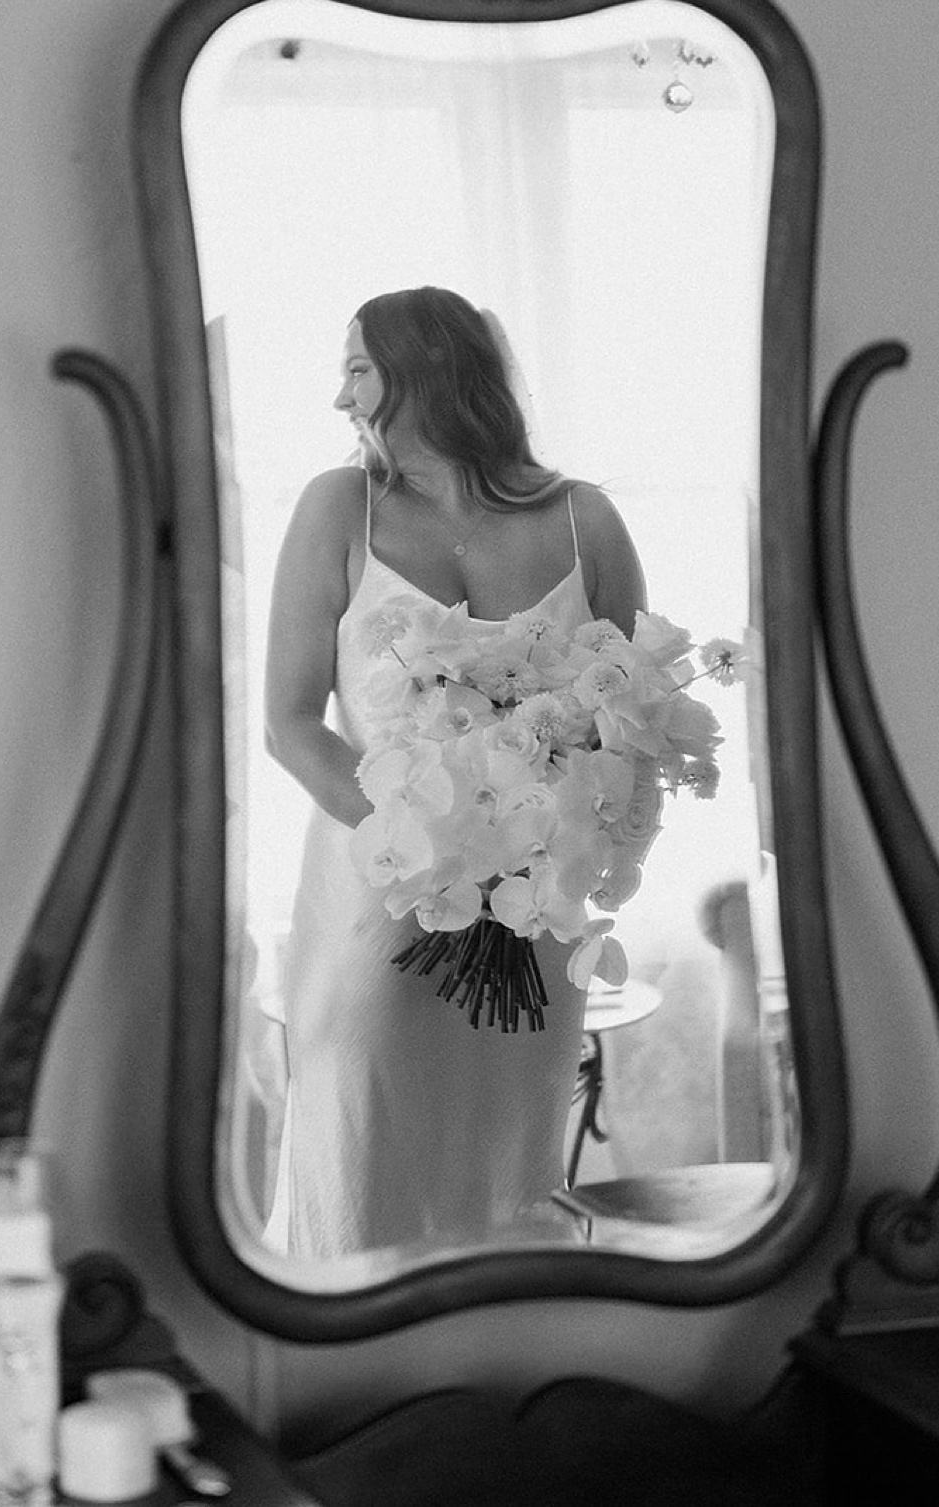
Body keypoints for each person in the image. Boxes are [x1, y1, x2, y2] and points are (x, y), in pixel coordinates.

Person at [263, 286, 646, 1259]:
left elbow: (631, 721)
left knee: (504, 1179)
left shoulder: (586, 522)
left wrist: (538, 863)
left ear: (427, 371)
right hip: (375, 903)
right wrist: (434, 860)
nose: (341, 398)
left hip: (532, 916)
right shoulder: (336, 509)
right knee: (362, 1169)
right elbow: (289, 723)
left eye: (357, 368)